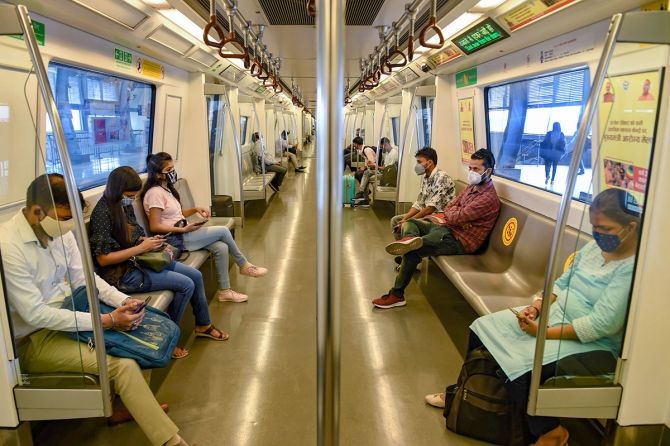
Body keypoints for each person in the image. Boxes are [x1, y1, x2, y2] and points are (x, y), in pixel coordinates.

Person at [425, 188, 639, 446]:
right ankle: (464, 390)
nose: (598, 235)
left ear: (630, 227)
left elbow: (601, 324)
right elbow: (560, 284)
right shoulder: (593, 248)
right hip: (553, 317)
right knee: (482, 328)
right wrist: (536, 308)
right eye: (594, 227)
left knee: (519, 366)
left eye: (605, 229)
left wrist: (543, 332)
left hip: (591, 343)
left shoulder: (632, 268)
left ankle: (550, 431)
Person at [0, 174, 191, 446]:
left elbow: (85, 280)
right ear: (36, 211)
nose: (67, 225)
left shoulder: (60, 232)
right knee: (123, 365)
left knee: (140, 334)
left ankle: (125, 405)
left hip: (75, 315)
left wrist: (122, 302)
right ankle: (171, 442)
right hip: (38, 338)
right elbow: (35, 314)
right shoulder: (9, 247)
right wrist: (106, 320)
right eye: (64, 217)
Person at [90, 166, 229, 358]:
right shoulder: (102, 214)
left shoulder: (123, 205)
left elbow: (135, 234)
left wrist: (148, 242)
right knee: (185, 285)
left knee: (195, 276)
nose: (130, 199)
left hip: (138, 260)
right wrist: (140, 248)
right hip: (122, 274)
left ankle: (203, 325)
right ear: (118, 190)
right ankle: (166, 338)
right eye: (129, 195)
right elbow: (103, 259)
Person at [373, 149, 500, 309]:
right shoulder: (472, 188)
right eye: (470, 168)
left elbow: (454, 215)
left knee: (414, 250)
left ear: (488, 171)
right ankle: (409, 240)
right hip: (448, 228)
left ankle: (397, 295)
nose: (471, 172)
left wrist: (456, 215)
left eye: (476, 169)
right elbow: (451, 208)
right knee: (410, 223)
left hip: (460, 240)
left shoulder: (487, 198)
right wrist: (456, 215)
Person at [142, 152, 267, 303]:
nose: (173, 173)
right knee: (223, 230)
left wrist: (195, 209)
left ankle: (225, 291)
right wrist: (183, 230)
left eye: (173, 168)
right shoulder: (155, 193)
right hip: (174, 239)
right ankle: (244, 264)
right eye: (169, 170)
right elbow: (155, 226)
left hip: (183, 232)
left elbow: (176, 215)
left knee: (221, 247)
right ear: (157, 174)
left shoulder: (166, 189)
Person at [390, 147, 455, 240]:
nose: (417, 165)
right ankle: (402, 247)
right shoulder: (426, 177)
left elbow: (430, 208)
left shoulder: (442, 178)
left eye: (419, 162)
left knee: (409, 224)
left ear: (429, 163)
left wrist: (409, 220)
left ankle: (408, 251)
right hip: (427, 213)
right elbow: (419, 203)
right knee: (396, 220)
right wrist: (405, 219)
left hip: (438, 216)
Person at [353, 137, 399, 204]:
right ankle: (362, 194)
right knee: (366, 174)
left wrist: (374, 165)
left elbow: (386, 169)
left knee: (366, 176)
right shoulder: (387, 153)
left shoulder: (393, 153)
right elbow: (384, 167)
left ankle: (363, 194)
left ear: (386, 144)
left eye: (382, 147)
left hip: (387, 175)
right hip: (383, 172)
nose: (381, 149)